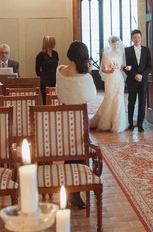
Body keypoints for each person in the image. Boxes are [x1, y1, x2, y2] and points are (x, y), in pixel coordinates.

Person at [55, 41, 97, 208]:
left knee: (68, 153)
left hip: (64, 117)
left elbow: (59, 92)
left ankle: (68, 190)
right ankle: (75, 192)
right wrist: (89, 73)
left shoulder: (60, 72)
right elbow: (91, 96)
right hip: (80, 118)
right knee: (79, 153)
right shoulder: (85, 77)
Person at [90, 35, 129, 132]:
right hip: (110, 78)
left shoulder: (121, 54)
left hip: (119, 79)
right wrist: (109, 71)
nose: (115, 46)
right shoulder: (106, 54)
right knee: (109, 98)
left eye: (117, 44)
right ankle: (106, 123)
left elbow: (122, 67)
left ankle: (118, 124)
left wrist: (125, 68)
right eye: (113, 44)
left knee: (118, 99)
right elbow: (102, 69)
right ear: (110, 44)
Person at [123, 28, 151, 131]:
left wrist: (141, 75)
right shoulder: (127, 51)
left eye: (138, 37)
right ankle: (130, 123)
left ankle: (140, 124)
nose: (137, 39)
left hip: (143, 81)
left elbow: (149, 66)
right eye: (134, 38)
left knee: (142, 102)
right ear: (132, 39)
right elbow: (125, 67)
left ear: (141, 38)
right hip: (132, 80)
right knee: (131, 101)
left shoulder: (146, 50)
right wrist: (134, 75)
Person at [35, 35, 59, 104]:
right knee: (46, 98)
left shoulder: (55, 54)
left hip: (54, 78)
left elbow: (56, 66)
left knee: (54, 97)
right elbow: (37, 69)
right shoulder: (41, 55)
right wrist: (42, 77)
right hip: (45, 80)